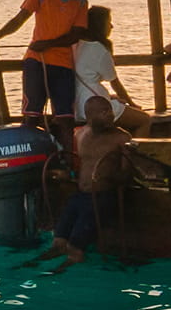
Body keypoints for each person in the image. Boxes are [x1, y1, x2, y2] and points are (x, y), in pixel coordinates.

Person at [30, 97, 132, 271]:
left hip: (103, 197)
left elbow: (128, 174)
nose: (111, 116)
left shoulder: (122, 137)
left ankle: (58, 272)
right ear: (90, 115)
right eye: (105, 112)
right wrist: (65, 174)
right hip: (80, 195)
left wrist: (109, 176)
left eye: (110, 111)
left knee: (75, 250)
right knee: (58, 241)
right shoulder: (81, 134)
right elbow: (77, 165)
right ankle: (35, 265)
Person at [0, 0, 92, 131]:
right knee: (32, 114)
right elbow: (19, 20)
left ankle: (66, 155)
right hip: (37, 60)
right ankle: (30, 148)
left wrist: (48, 44)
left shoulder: (81, 2)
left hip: (63, 64)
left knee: (65, 117)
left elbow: (75, 35)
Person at [72, 6, 153, 136]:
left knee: (116, 104)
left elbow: (86, 77)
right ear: (100, 25)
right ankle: (135, 154)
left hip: (77, 104)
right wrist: (131, 103)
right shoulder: (99, 50)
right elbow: (115, 83)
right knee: (144, 120)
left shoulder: (75, 45)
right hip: (94, 106)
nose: (111, 26)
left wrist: (110, 97)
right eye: (108, 22)